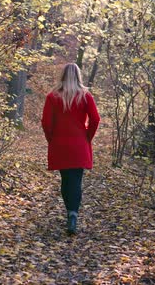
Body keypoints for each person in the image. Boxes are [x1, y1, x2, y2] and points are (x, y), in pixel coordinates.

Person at [41, 63, 100, 234]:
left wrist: (51, 139)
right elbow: (95, 119)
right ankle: (73, 215)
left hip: (60, 143)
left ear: (63, 76)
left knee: (66, 179)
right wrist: (87, 136)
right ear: (78, 76)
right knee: (76, 180)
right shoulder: (85, 95)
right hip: (79, 144)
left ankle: (70, 213)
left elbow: (46, 122)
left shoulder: (53, 96)